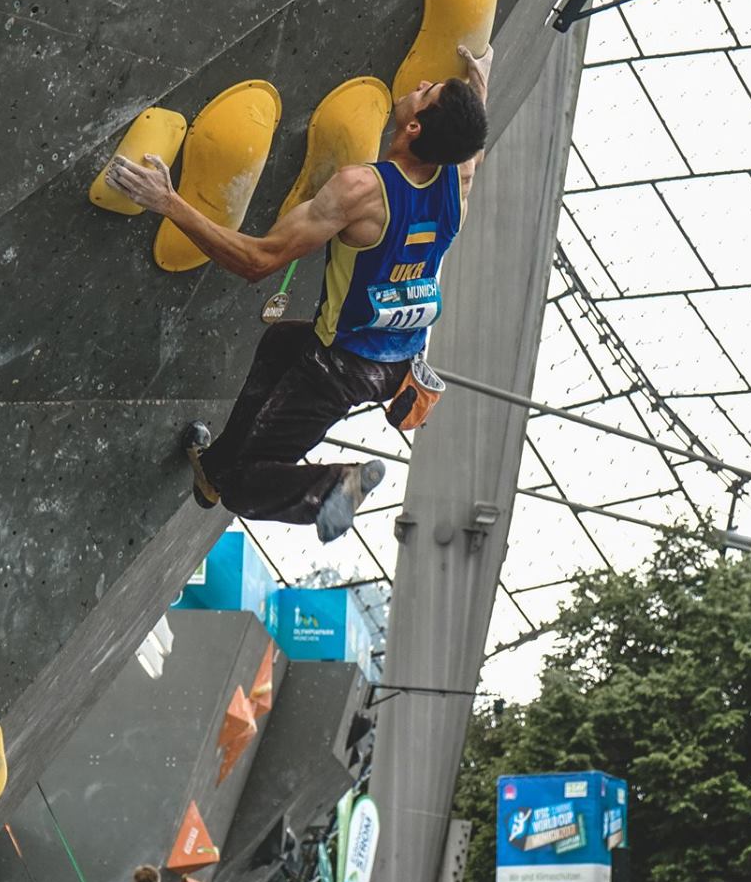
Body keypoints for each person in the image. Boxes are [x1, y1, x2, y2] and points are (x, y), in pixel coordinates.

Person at [107, 44, 491, 543]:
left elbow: (257, 261)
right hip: (395, 361)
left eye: (426, 94)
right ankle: (212, 471)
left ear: (414, 128)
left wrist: (169, 202)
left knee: (248, 487)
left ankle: (333, 487)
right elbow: (472, 139)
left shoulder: (361, 191)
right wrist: (479, 76)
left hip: (338, 369)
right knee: (282, 343)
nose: (418, 86)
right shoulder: (456, 180)